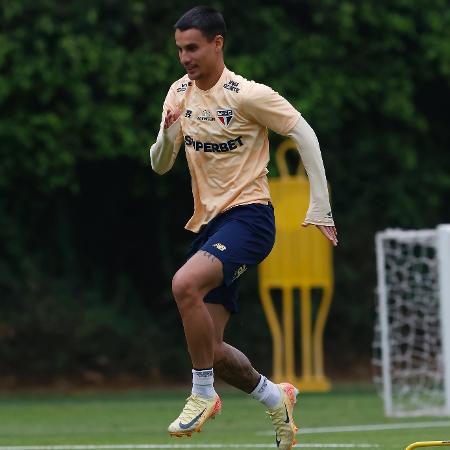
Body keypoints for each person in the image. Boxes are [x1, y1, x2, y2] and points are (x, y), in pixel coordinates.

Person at [149, 6, 337, 449]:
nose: (185, 58)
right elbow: (159, 165)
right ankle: (276, 396)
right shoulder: (178, 94)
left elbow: (304, 133)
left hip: (250, 218)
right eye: (179, 49)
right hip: (212, 227)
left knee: (183, 285)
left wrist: (321, 206)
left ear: (217, 44)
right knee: (211, 350)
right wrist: (166, 135)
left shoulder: (247, 94)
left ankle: (201, 393)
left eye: (192, 48)